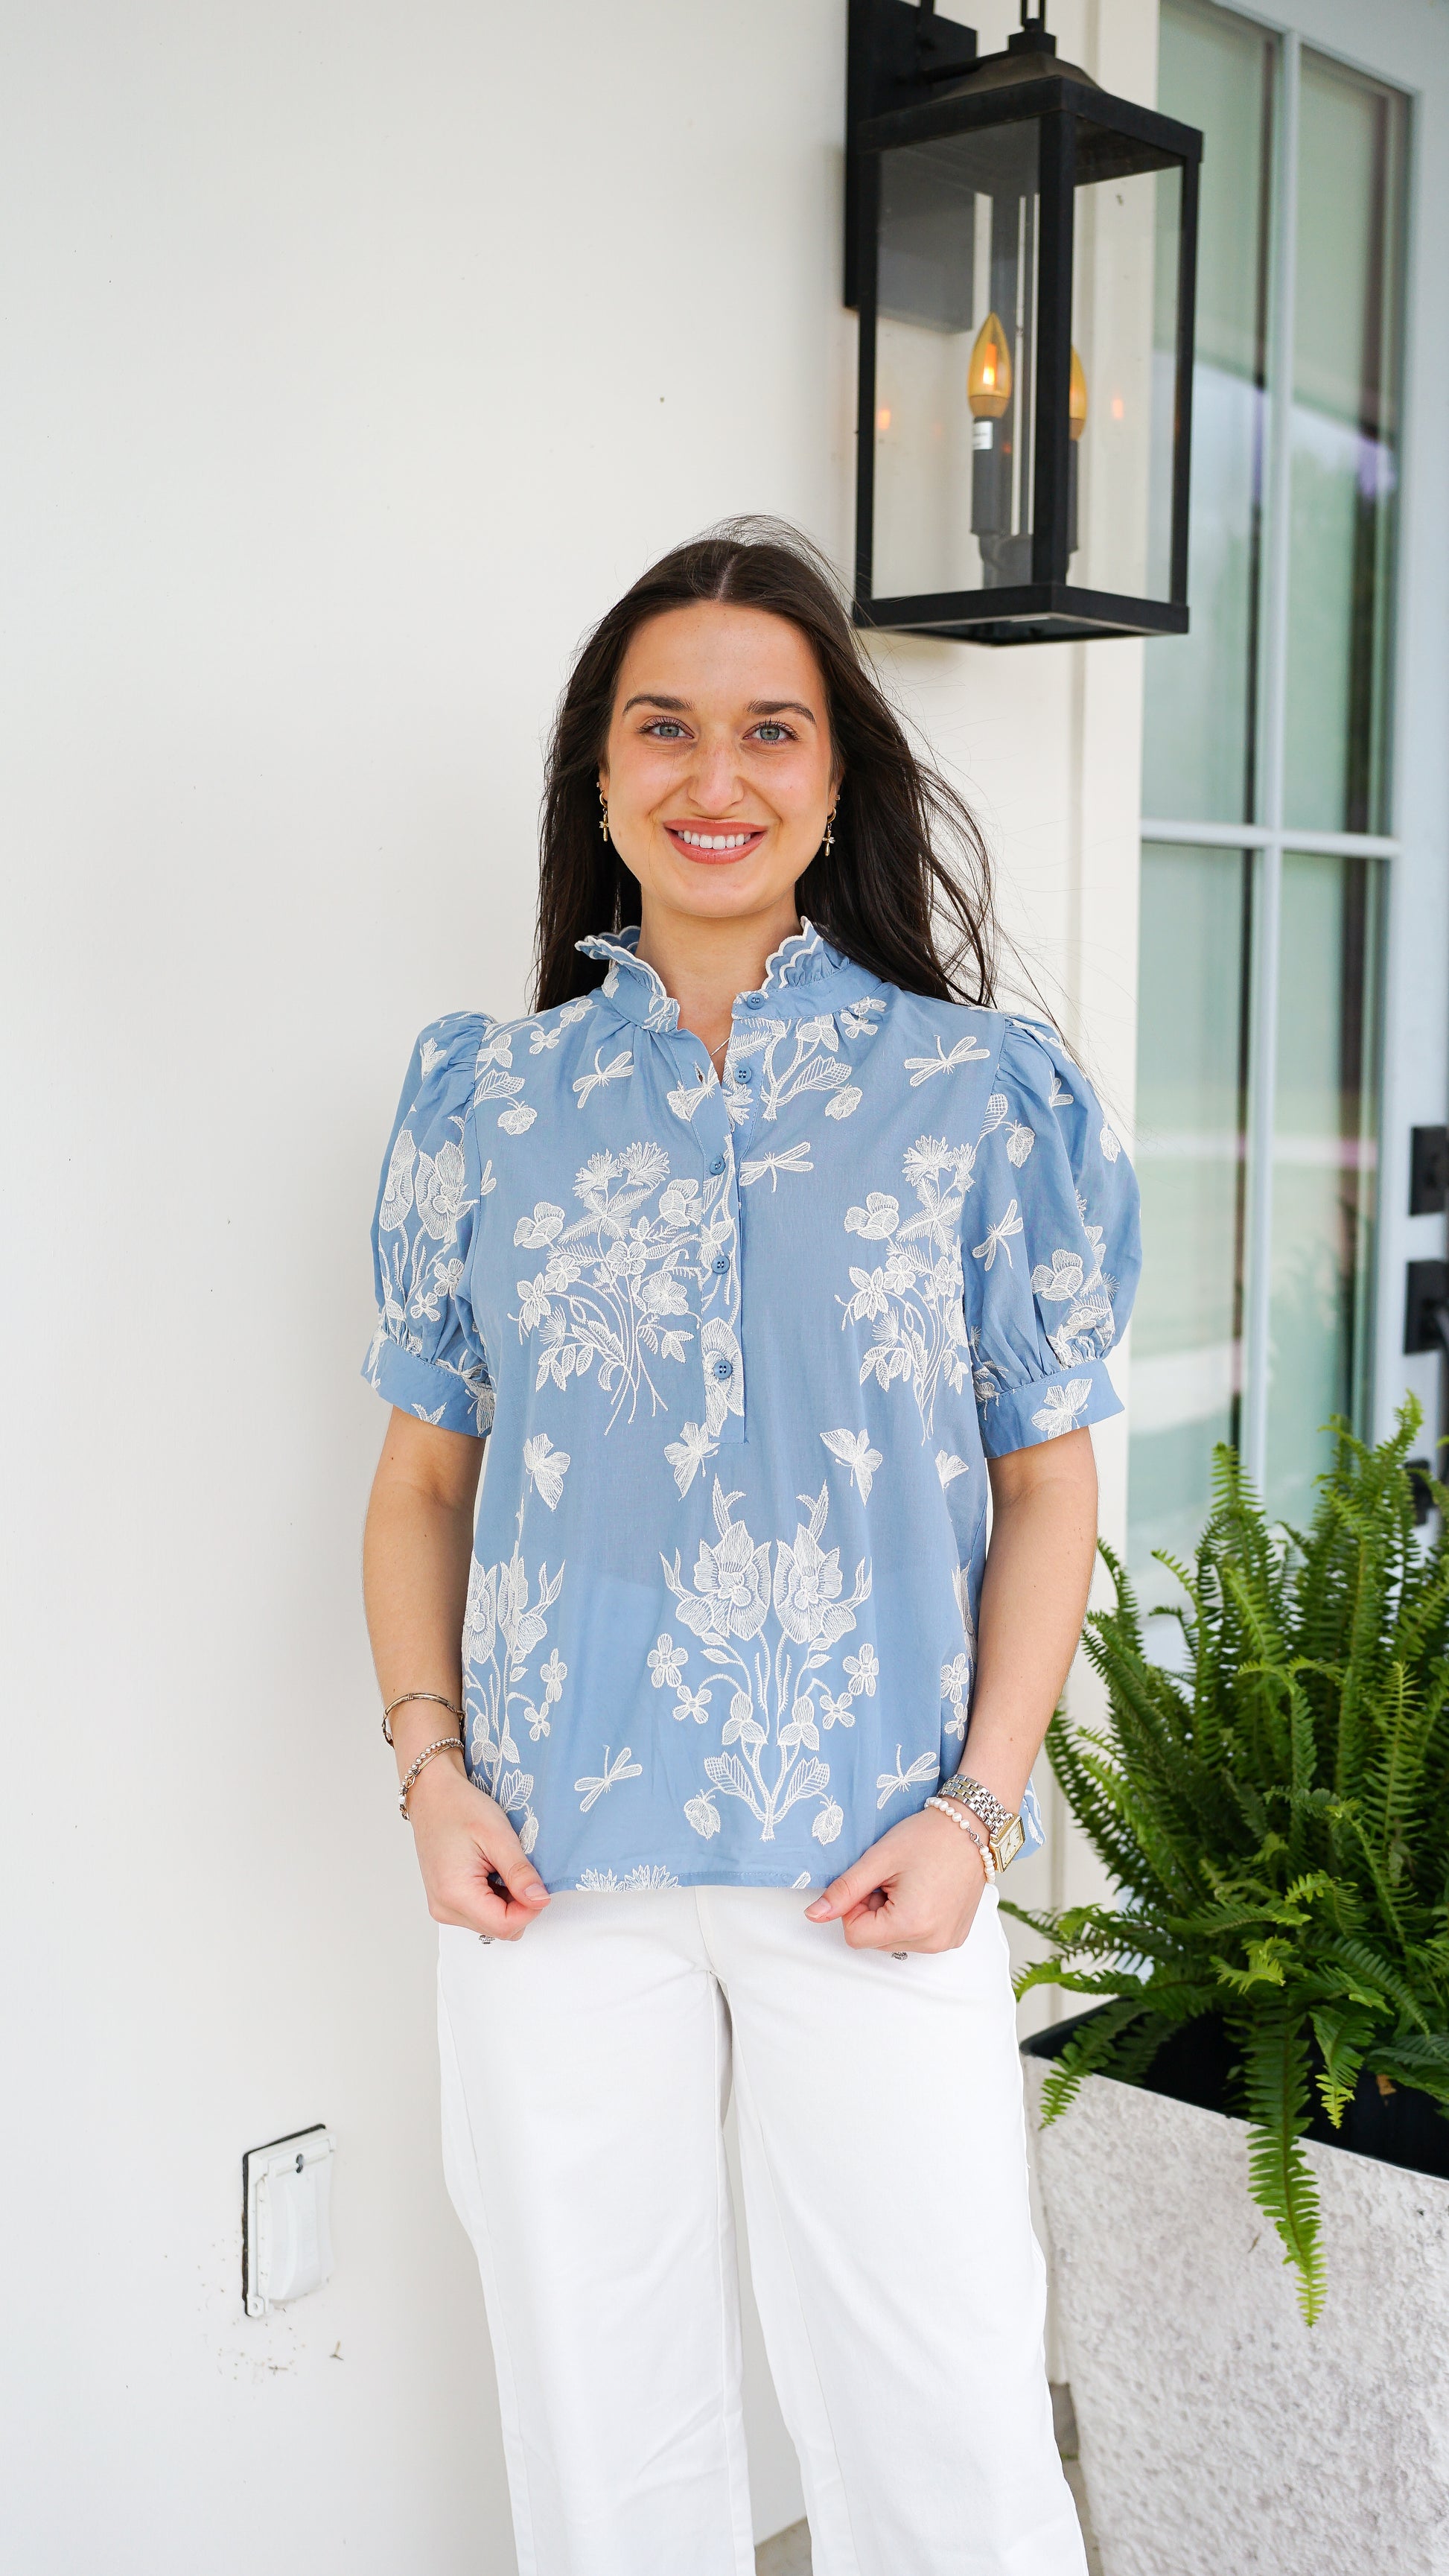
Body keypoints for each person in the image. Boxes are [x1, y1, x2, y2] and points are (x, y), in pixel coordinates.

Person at [361, 519, 1139, 2576]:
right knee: (598, 2425)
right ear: (599, 775)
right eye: (665, 727)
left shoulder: (976, 1098)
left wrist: (979, 1811)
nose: (717, 776)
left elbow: (1048, 1484)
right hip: (548, 1865)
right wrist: (432, 1776)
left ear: (837, 775)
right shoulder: (486, 1104)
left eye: (771, 729)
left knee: (947, 2416)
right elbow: (423, 1481)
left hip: (880, 1854)